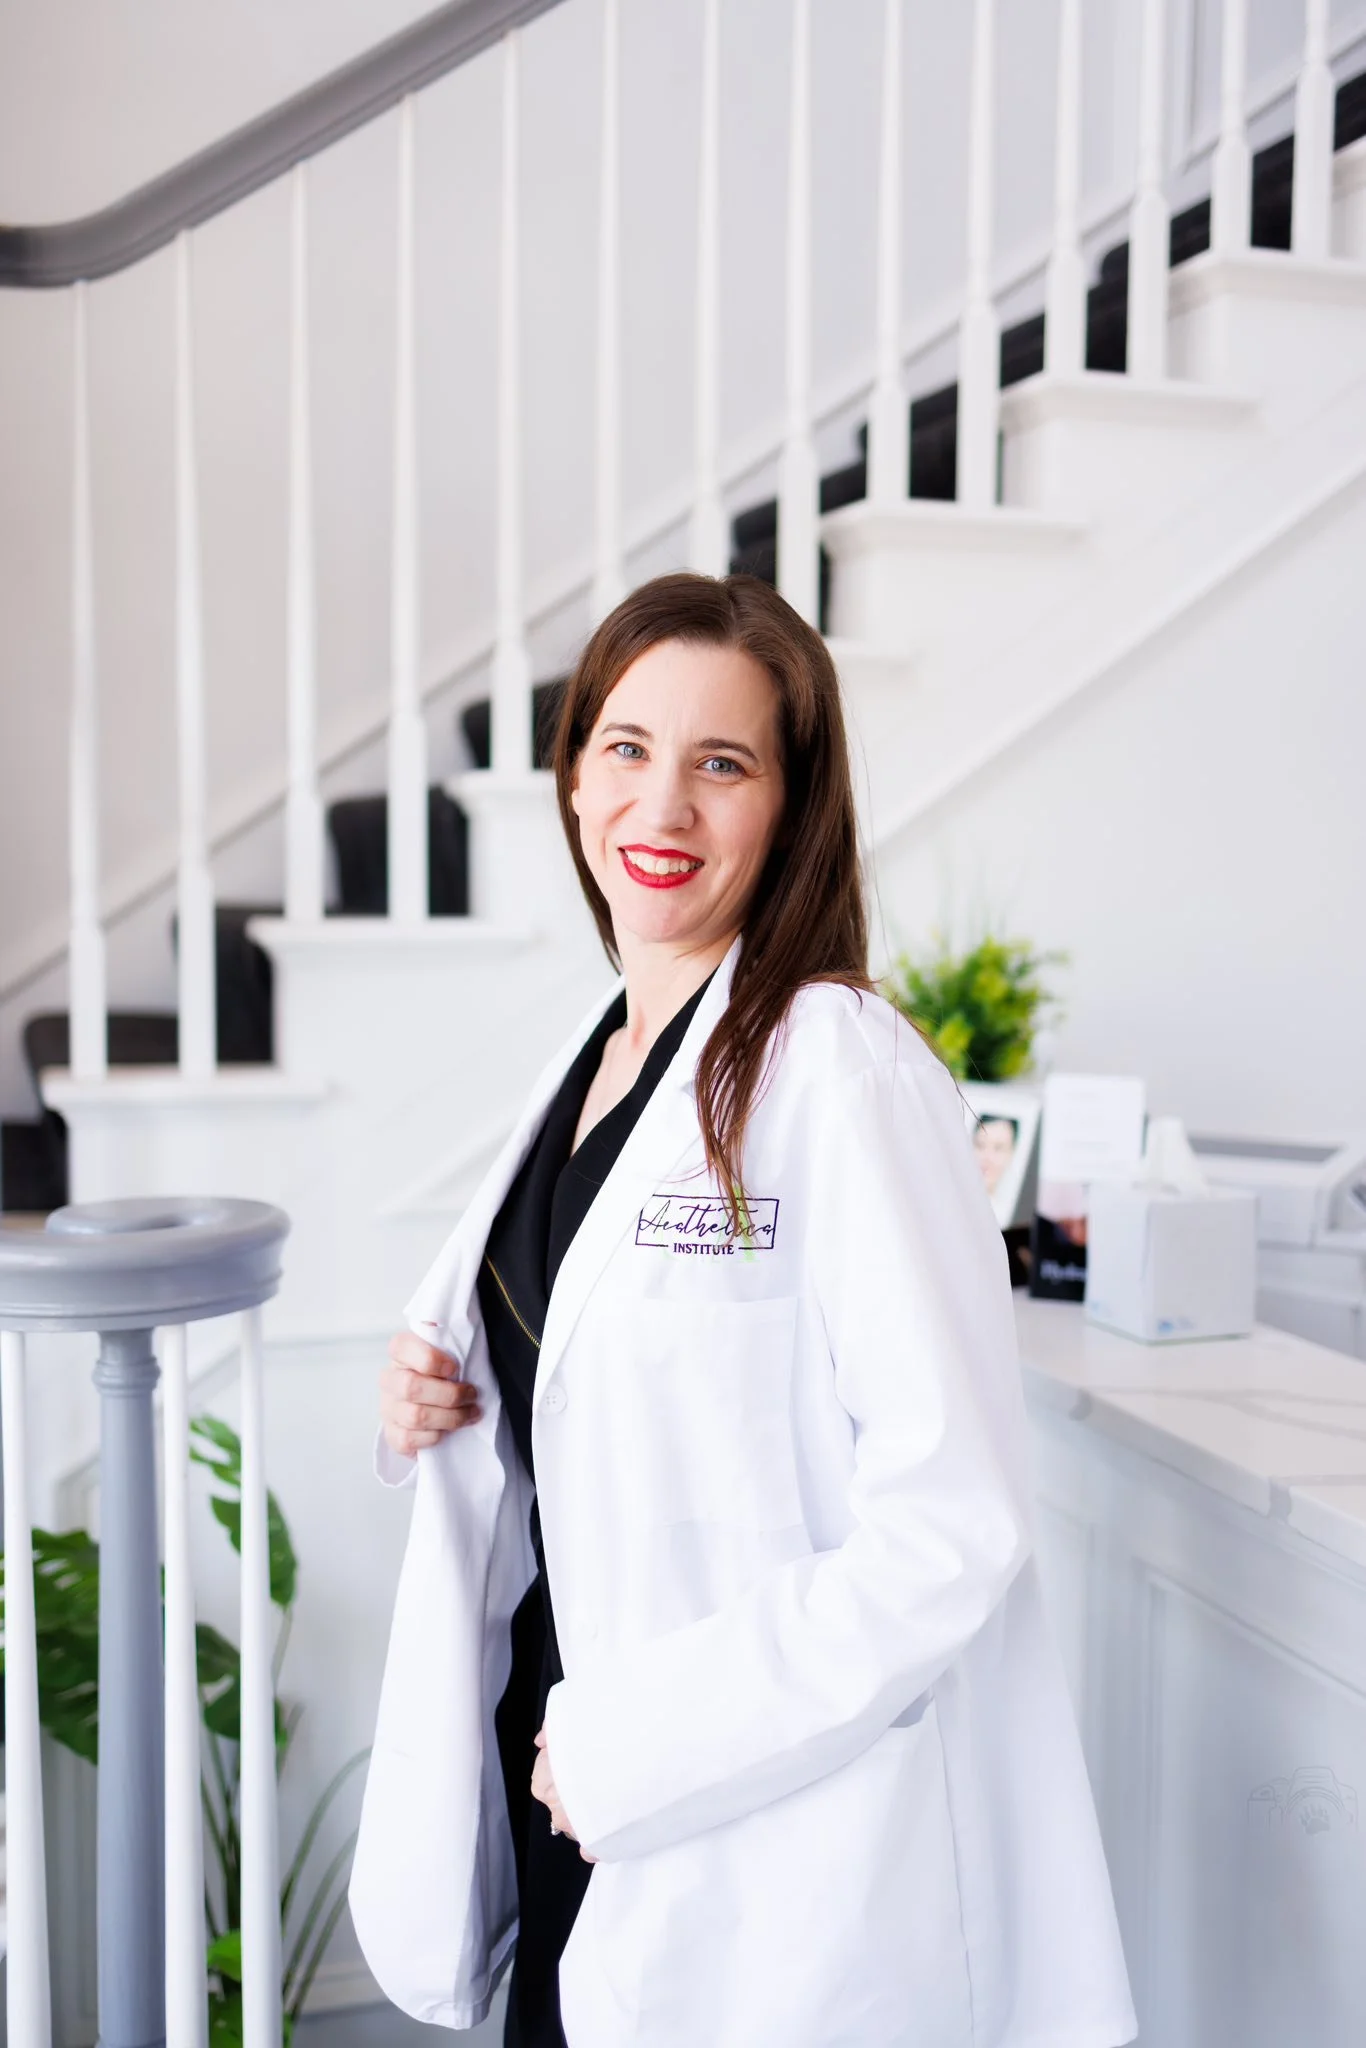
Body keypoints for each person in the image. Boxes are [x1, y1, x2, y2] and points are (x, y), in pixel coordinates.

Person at [348, 572, 1137, 2048]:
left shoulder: (841, 1067)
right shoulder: (594, 1058)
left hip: (753, 1845)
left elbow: (949, 1526)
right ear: (572, 773)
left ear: (790, 806)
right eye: (627, 747)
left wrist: (635, 1746)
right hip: (571, 1800)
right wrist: (444, 1398)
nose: (662, 805)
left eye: (723, 763)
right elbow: (598, 1391)